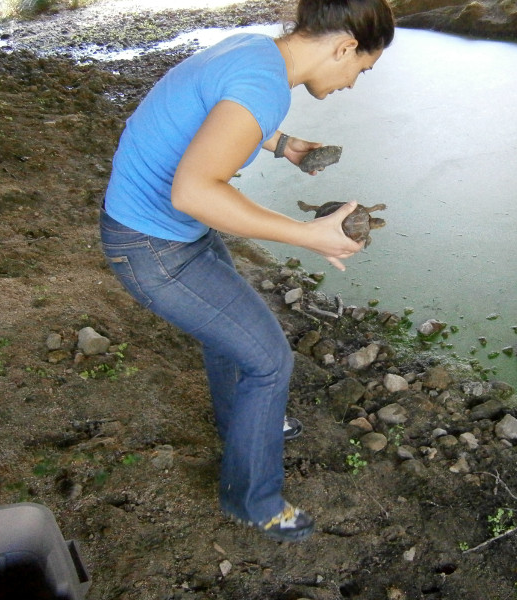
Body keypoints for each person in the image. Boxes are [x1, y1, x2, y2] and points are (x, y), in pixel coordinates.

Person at [99, 0, 394, 542]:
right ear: (345, 45)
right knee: (269, 362)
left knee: (232, 336)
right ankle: (252, 500)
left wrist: (281, 144)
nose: (355, 82)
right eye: (363, 68)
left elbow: (210, 111)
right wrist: (307, 233)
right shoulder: (265, 87)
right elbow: (193, 191)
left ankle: (246, 425)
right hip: (152, 245)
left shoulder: (258, 53)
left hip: (159, 230)